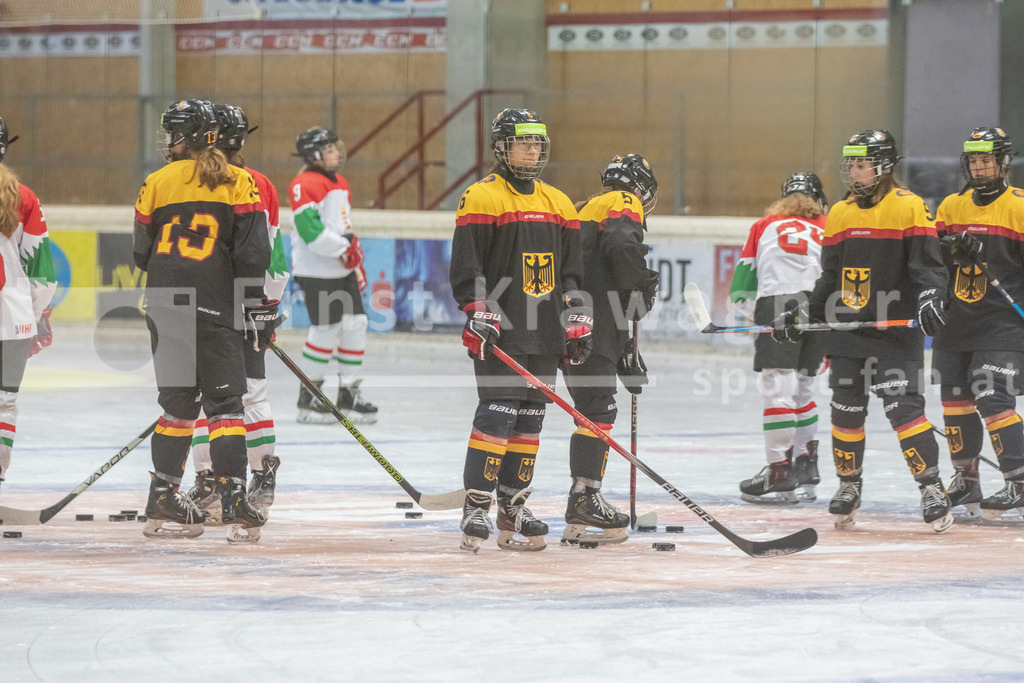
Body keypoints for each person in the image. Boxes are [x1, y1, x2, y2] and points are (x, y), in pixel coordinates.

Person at [775, 129, 954, 532]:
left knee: (904, 411)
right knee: (846, 411)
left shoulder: (910, 208)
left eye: (862, 164)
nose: (854, 172)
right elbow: (829, 278)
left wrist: (929, 298)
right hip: (848, 332)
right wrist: (804, 314)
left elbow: (929, 267)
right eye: (851, 165)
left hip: (893, 333)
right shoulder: (840, 212)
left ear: (884, 166)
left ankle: (932, 488)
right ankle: (848, 487)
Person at [133, 98, 271, 542]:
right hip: (214, 306)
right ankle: (232, 497)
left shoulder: (155, 182)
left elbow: (141, 253)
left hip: (163, 305)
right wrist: (251, 305)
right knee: (226, 408)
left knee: (176, 408)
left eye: (172, 134)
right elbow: (254, 253)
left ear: (188, 137)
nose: (167, 142)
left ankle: (162, 496)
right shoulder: (240, 181)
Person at [450, 108, 584, 552]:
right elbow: (469, 267)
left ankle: (513, 504)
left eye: (538, 142)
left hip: (544, 331)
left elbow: (570, 274)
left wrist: (576, 319)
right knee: (497, 414)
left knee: (530, 421)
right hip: (502, 330)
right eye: (523, 141)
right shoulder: (482, 197)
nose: (532, 149)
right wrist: (477, 310)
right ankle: (476, 504)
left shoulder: (559, 202)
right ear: (501, 148)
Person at [188, 103, 288, 521]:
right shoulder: (256, 181)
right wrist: (267, 303)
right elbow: (274, 256)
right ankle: (256, 476)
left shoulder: (193, 179)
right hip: (241, 303)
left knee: (204, 397)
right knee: (247, 395)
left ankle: (213, 479)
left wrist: (262, 306)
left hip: (210, 304)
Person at [561, 154, 659, 544]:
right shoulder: (623, 201)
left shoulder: (583, 207)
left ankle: (578, 509)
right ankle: (584, 498)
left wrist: (623, 350)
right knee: (598, 409)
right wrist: (643, 281)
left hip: (576, 324)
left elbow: (595, 272)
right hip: (593, 324)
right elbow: (621, 250)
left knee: (591, 407)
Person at [934, 126, 1024, 523]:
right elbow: (935, 264)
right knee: (955, 402)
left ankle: (1019, 482)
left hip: (1003, 321)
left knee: (992, 397)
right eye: (974, 160)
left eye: (987, 159)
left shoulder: (1020, 205)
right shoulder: (951, 206)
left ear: (1003, 162)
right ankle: (966, 479)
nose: (980, 166)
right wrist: (950, 252)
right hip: (958, 322)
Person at [730, 173, 827, 504]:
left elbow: (740, 289)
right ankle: (806, 464)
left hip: (777, 303)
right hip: (818, 305)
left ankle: (779, 471)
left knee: (778, 391)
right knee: (804, 388)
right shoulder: (828, 225)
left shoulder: (764, 225)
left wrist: (755, 319)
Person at [288, 127, 376, 425]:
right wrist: (342, 250)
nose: (336, 154)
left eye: (335, 148)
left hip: (340, 268)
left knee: (355, 324)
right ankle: (309, 396)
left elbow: (342, 226)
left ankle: (349, 394)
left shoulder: (341, 183)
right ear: (313, 156)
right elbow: (309, 229)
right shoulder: (304, 183)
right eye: (328, 150)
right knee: (326, 328)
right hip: (316, 270)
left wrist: (353, 262)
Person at [0, 115, 56, 493]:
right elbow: (44, 276)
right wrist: (32, 319)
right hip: (12, 318)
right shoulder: (23, 197)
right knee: (4, 404)